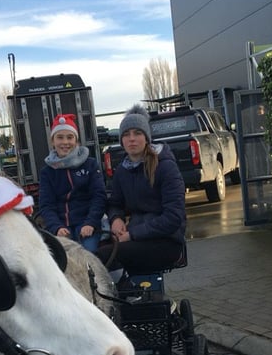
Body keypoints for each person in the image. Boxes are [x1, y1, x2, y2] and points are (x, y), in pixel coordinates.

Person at [96, 104, 186, 276]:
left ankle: (127, 294)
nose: (132, 139)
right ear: (121, 140)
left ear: (146, 137)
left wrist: (133, 234)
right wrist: (116, 218)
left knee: (103, 257)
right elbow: (115, 203)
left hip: (166, 242)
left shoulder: (166, 167)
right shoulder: (122, 170)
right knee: (94, 251)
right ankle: (126, 293)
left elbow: (174, 217)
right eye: (126, 135)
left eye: (137, 133)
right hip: (135, 237)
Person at [38, 113, 106, 252]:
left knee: (88, 257)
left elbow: (99, 196)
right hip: (62, 226)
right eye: (60, 137)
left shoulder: (90, 164)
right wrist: (56, 227)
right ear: (53, 141)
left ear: (76, 140)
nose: (65, 142)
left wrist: (90, 223)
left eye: (70, 137)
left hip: (86, 225)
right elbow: (46, 205)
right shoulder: (47, 172)